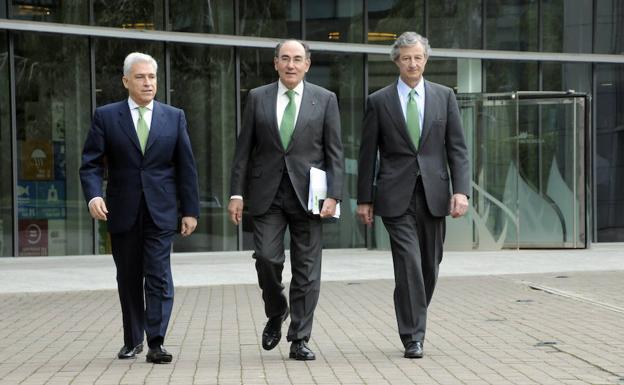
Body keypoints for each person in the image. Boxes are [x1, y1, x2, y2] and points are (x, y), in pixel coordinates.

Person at [80, 52, 199, 364]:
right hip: (122, 210)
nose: (148, 83)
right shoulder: (106, 117)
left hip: (161, 211)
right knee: (129, 276)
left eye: (152, 77)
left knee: (158, 275)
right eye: (141, 77)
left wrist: (190, 210)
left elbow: (186, 167)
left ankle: (156, 342)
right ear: (125, 81)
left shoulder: (174, 117)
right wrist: (94, 196)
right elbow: (90, 164)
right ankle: (132, 339)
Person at [228, 40, 344, 361]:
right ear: (275, 63)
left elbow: (335, 152)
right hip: (267, 194)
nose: (291, 65)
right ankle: (277, 310)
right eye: (285, 59)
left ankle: (299, 338)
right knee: (266, 259)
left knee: (307, 269)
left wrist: (334, 195)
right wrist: (236, 193)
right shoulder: (257, 98)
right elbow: (243, 151)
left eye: (297, 59)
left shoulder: (325, 99)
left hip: (310, 196)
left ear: (307, 64)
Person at [356, 32, 470, 359]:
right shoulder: (378, 101)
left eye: (418, 57)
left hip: (434, 194)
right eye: (406, 57)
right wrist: (365, 198)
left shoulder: (444, 96)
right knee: (408, 262)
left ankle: (413, 310)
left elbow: (457, 149)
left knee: (429, 267)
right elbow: (367, 155)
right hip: (395, 195)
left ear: (426, 59)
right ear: (396, 61)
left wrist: (460, 190)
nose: (413, 63)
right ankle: (413, 336)